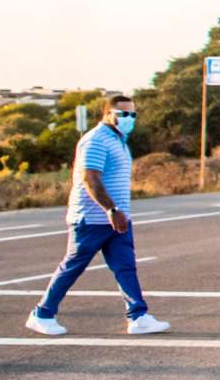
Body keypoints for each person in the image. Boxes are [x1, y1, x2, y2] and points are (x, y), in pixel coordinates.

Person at [26, 95, 170, 337]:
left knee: (125, 267)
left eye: (133, 114)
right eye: (123, 114)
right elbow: (90, 178)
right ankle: (42, 314)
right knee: (73, 266)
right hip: (92, 218)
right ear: (107, 114)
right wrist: (111, 210)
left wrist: (118, 213)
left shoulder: (119, 140)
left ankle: (138, 316)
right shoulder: (95, 140)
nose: (129, 119)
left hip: (117, 219)